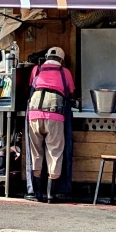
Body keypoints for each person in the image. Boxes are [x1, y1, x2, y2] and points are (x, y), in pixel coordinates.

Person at [24, 46, 74, 203]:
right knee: (55, 153)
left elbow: (31, 86)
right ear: (61, 60)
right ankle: (51, 194)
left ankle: (36, 194)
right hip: (55, 116)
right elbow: (71, 91)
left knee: (35, 153)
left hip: (33, 115)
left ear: (46, 57)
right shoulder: (65, 72)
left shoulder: (36, 70)